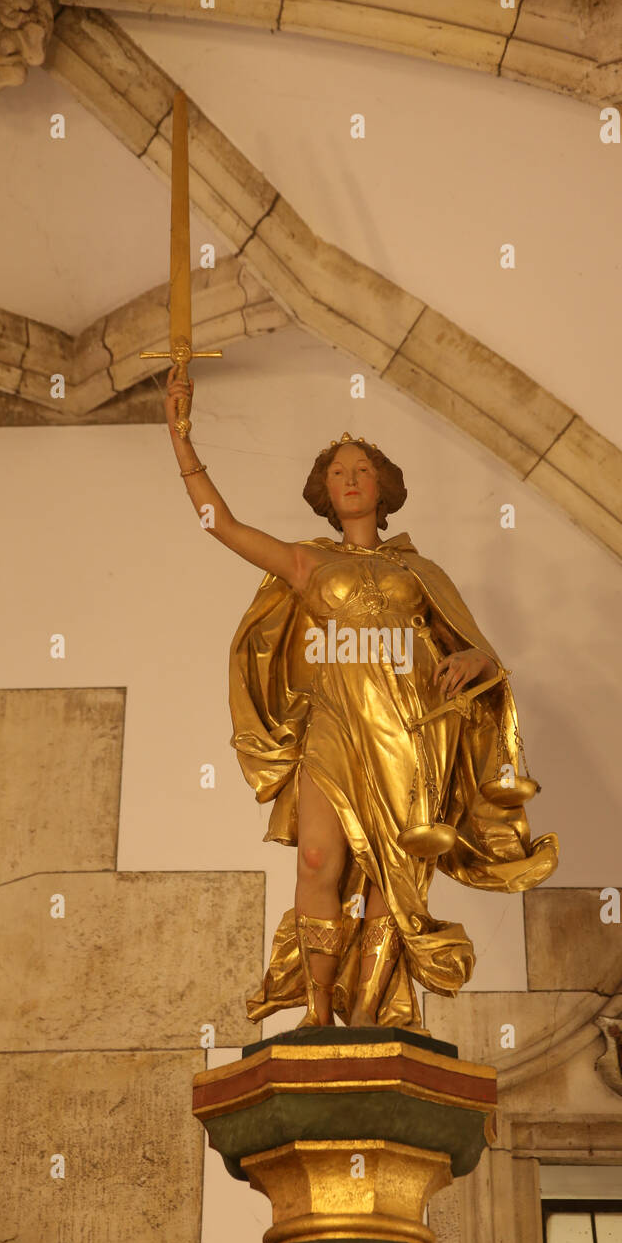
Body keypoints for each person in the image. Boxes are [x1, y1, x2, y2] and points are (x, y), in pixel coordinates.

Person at [165, 367, 558, 1032]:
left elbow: (483, 653)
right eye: (339, 472)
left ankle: (372, 1015)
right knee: (319, 858)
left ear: (383, 489)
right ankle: (317, 1013)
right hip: (337, 721)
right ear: (325, 492)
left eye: (362, 470)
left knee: (395, 871)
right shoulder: (306, 564)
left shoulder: (420, 571)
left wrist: (467, 657)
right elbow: (221, 525)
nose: (350, 478)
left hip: (411, 726)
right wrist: (181, 438)